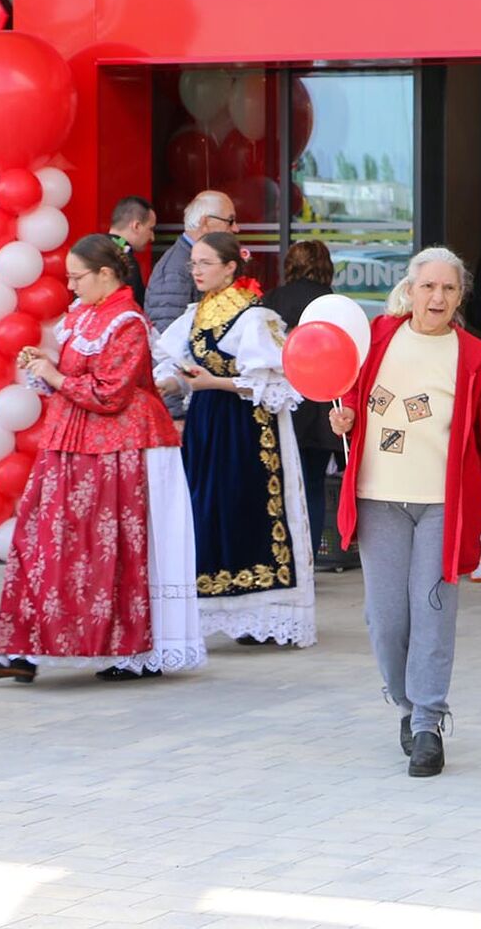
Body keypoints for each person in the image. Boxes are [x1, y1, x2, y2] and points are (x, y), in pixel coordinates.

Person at [329, 247, 481, 777]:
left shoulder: (474, 359)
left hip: (442, 508)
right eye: (428, 286)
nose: (437, 297)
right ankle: (407, 708)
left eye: (449, 289)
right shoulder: (374, 340)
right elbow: (341, 393)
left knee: (432, 612)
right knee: (386, 620)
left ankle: (429, 723)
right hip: (378, 501)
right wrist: (340, 420)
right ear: (410, 290)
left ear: (460, 297)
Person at [0, 234, 202, 683]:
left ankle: (129, 649)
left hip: (121, 446)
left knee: (110, 549)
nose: (71, 286)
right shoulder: (86, 315)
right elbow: (83, 377)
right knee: (47, 542)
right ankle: (27, 646)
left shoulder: (127, 321)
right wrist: (47, 365)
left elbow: (112, 392)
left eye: (77, 277)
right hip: (76, 440)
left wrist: (54, 374)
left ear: (106, 275)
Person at [154, 231, 315, 647]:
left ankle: (264, 612)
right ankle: (214, 606)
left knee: (249, 512)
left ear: (231, 266)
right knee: (206, 512)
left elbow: (276, 384)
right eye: (195, 264)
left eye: (206, 263)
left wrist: (213, 383)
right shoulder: (195, 313)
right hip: (208, 425)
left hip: (248, 431)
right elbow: (184, 366)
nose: (197, 271)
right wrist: (175, 384)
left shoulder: (254, 317)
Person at [264, 240, 347, 568]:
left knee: (280, 486)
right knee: (313, 485)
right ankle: (309, 561)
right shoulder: (334, 303)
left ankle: (282, 560)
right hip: (323, 404)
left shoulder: (273, 300)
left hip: (285, 403)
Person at [145, 189, 238, 419]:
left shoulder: (181, 264)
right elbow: (168, 348)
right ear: (205, 223)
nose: (235, 229)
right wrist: (176, 414)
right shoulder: (175, 270)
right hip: (187, 406)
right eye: (230, 220)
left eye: (205, 263)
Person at [109, 195, 158, 306]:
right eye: (151, 229)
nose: (152, 237)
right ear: (136, 226)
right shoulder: (125, 260)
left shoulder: (90, 250)